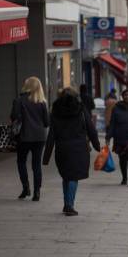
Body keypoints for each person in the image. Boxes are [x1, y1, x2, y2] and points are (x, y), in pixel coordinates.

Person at [43, 87, 100, 216]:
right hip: (79, 148)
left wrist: (46, 157)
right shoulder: (80, 110)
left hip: (62, 149)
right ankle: (69, 205)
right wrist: (97, 146)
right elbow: (91, 129)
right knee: (73, 177)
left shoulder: (56, 112)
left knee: (66, 176)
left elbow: (51, 135)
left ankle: (66, 203)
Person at [12, 76, 49, 201]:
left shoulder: (19, 100)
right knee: (36, 165)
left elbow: (14, 117)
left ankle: (25, 187)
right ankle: (37, 192)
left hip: (24, 137)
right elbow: (46, 123)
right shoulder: (42, 102)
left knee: (21, 162)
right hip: (39, 137)